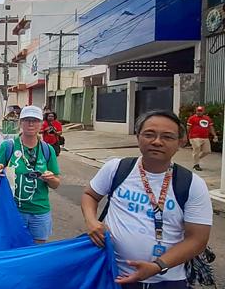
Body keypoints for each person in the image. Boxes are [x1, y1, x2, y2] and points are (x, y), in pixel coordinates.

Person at [81, 110, 212, 288]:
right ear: (138, 136)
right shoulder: (117, 168)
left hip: (167, 281)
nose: (157, 142)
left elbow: (197, 240)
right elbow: (90, 195)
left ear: (181, 142)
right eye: (149, 134)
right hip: (111, 273)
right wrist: (91, 221)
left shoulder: (192, 184)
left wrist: (157, 266)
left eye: (167, 137)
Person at [0, 106, 61, 244]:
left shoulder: (47, 149)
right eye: (27, 120)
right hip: (13, 209)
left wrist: (50, 178)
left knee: (36, 252)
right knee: (12, 248)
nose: (31, 124)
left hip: (40, 211)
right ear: (20, 122)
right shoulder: (8, 146)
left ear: (41, 124)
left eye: (35, 120)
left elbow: (56, 184)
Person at [187, 106, 218, 171]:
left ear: (203, 111)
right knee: (197, 148)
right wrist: (187, 135)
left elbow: (211, 127)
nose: (199, 112)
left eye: (200, 111)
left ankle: (196, 159)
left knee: (207, 151)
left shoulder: (207, 118)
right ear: (196, 111)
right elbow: (188, 127)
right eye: (198, 111)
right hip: (194, 137)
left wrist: (214, 135)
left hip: (205, 137)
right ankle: (196, 164)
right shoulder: (192, 118)